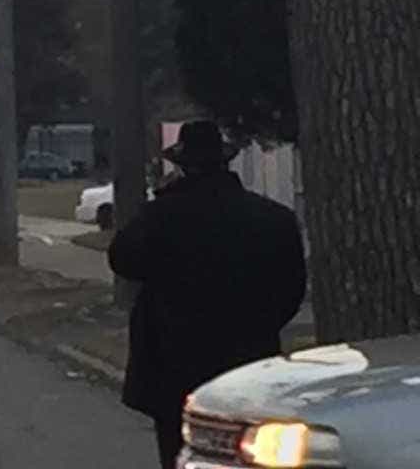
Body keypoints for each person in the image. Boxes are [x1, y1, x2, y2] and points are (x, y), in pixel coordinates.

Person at [108, 120, 306, 469]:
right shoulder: (272, 219)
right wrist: (260, 325)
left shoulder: (162, 217)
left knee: (181, 453)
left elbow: (122, 259)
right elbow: (291, 291)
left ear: (183, 166)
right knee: (249, 453)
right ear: (225, 162)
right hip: (249, 361)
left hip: (173, 363)